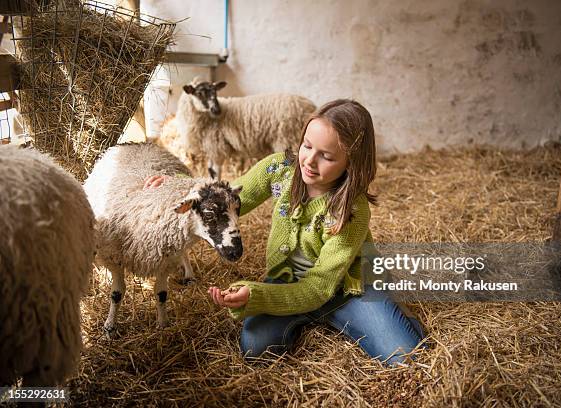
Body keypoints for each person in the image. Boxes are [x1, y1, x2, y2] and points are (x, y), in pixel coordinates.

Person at [147, 99, 426, 365]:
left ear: (350, 163)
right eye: (307, 146)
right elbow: (226, 197)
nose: (309, 160)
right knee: (256, 349)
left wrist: (258, 296)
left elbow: (319, 288)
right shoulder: (280, 168)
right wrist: (177, 184)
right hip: (288, 279)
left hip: (347, 288)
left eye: (326, 156)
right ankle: (314, 314)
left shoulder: (351, 209)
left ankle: (376, 305)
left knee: (405, 356)